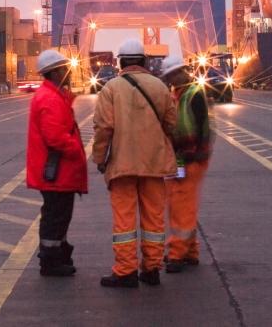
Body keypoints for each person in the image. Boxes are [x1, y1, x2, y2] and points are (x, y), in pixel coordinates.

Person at [91, 38, 177, 289]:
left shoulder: (111, 89)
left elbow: (103, 128)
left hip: (122, 164)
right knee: (154, 219)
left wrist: (99, 158)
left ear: (120, 62)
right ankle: (151, 269)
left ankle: (126, 271)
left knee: (124, 221)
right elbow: (172, 124)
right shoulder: (160, 87)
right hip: (154, 163)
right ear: (145, 60)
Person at [26, 48, 88, 277]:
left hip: (57, 171)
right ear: (53, 73)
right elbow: (55, 137)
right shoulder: (50, 99)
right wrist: (76, 151)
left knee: (58, 215)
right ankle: (51, 261)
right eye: (64, 69)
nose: (68, 72)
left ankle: (57, 255)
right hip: (56, 172)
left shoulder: (53, 96)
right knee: (56, 216)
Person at [159, 54, 212, 273]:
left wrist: (198, 152)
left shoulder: (193, 94)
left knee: (181, 206)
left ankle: (176, 254)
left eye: (172, 74)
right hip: (180, 157)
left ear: (182, 72)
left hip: (190, 157)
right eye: (169, 76)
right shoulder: (179, 94)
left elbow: (204, 128)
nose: (171, 79)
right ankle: (190, 251)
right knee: (182, 204)